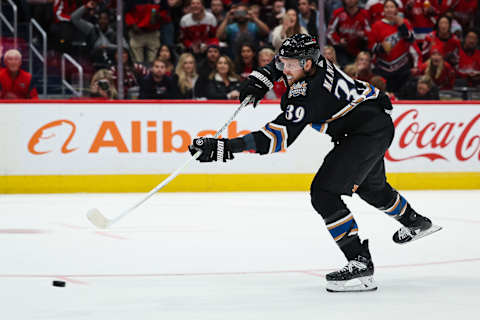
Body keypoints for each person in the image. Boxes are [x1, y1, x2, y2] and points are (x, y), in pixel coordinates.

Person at [188, 34, 441, 292]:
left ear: (308, 64)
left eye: (290, 65)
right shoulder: (312, 63)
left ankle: (359, 263)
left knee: (323, 193)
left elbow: (276, 139)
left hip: (364, 134)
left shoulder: (309, 94)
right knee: (371, 188)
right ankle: (415, 222)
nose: (285, 68)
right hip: (373, 123)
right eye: (282, 62)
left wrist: (226, 148)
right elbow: (282, 63)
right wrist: (264, 76)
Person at [368, 0, 421, 93]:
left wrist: (402, 26)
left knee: (402, 94)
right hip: (383, 67)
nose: (389, 9)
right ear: (383, 10)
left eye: (392, 7)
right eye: (387, 7)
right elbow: (371, 47)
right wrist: (381, 48)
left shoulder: (405, 22)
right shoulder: (377, 25)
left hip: (402, 67)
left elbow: (411, 40)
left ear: (396, 9)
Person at [327, 0, 371, 67]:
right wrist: (339, 40)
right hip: (343, 50)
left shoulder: (364, 13)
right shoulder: (338, 13)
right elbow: (330, 32)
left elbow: (370, 33)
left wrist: (363, 34)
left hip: (360, 49)